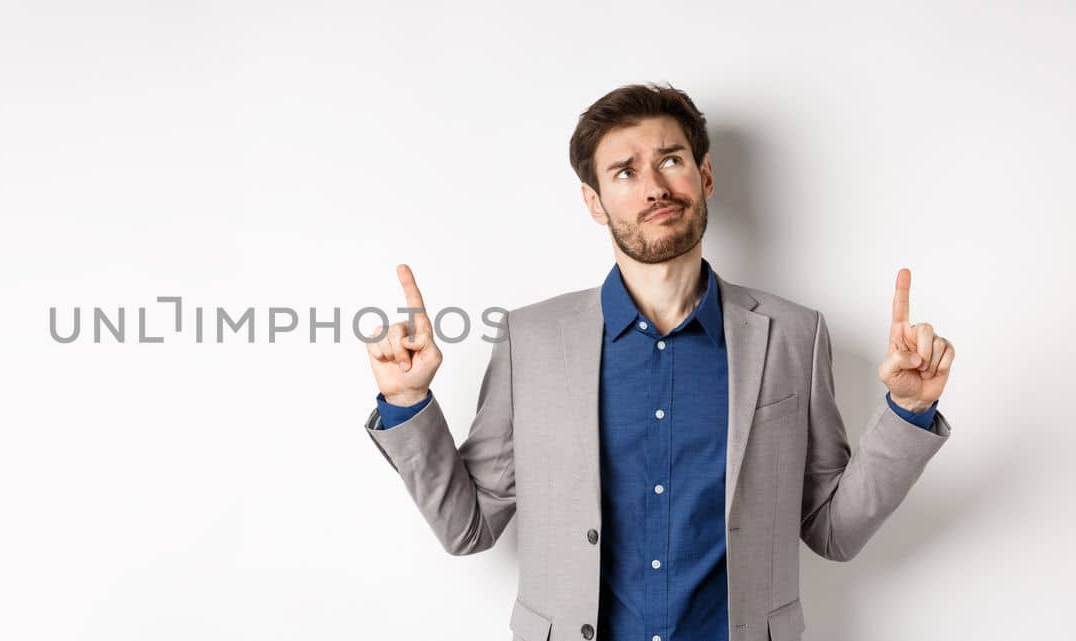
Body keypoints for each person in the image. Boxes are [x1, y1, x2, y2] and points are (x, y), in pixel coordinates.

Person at [360, 83, 955, 641]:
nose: (654, 187)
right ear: (595, 202)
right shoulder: (530, 340)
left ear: (706, 175)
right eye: (625, 171)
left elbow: (833, 530)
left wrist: (908, 410)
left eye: (671, 160)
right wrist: (408, 401)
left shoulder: (796, 335)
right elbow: (469, 528)